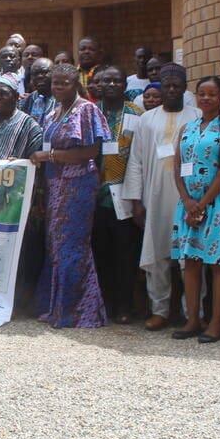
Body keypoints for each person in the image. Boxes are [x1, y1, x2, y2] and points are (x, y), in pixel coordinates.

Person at [28, 64, 112, 328]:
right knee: (54, 244)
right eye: (55, 84)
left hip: (78, 185)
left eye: (64, 83)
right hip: (55, 185)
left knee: (72, 245)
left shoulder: (86, 110)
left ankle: (78, 311)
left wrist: (50, 156)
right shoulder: (53, 114)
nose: (58, 88)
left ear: (75, 84)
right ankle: (55, 306)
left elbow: (90, 151)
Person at [123, 63, 201, 331]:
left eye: (176, 86)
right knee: (156, 254)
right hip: (154, 196)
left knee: (190, 257)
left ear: (184, 88)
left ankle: (193, 312)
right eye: (166, 86)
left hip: (189, 198)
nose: (171, 90)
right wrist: (136, 200)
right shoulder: (148, 119)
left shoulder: (197, 116)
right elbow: (136, 161)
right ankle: (160, 310)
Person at [169, 76, 220, 343]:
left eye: (212, 94)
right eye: (202, 93)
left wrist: (204, 202)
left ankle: (216, 323)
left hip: (219, 203)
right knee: (190, 262)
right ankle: (192, 320)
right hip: (188, 203)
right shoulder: (187, 128)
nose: (206, 98)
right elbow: (177, 166)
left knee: (217, 264)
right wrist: (188, 201)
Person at [92, 67, 145, 324]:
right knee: (100, 252)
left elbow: (141, 157)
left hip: (124, 195)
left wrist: (138, 198)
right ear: (98, 85)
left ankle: (125, 306)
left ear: (125, 85)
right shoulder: (89, 111)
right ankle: (104, 304)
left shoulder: (137, 115)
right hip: (93, 195)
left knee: (126, 254)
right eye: (106, 80)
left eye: (117, 80)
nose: (111, 84)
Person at [0, 74, 43, 160]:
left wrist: (19, 163)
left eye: (3, 93)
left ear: (16, 96)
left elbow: (36, 160)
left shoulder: (29, 125)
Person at [18, 58, 56, 126]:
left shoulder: (64, 100)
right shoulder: (24, 103)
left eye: (44, 72)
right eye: (35, 73)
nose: (40, 76)